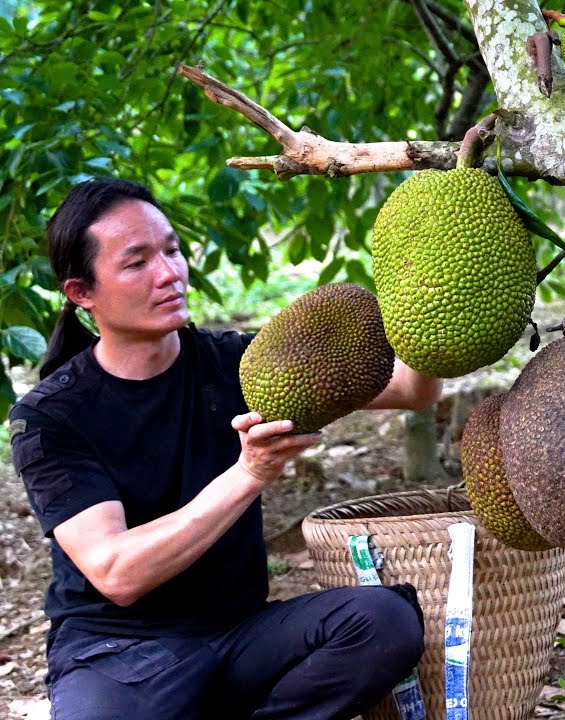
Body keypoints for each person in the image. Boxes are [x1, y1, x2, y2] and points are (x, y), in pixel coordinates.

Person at [8, 177, 443, 720]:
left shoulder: (235, 364)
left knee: (384, 623)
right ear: (82, 293)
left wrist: (427, 292)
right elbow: (117, 572)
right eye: (137, 262)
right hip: (119, 655)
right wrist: (250, 473)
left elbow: (412, 389)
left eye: (171, 250)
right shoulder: (50, 418)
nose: (169, 274)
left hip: (239, 637)